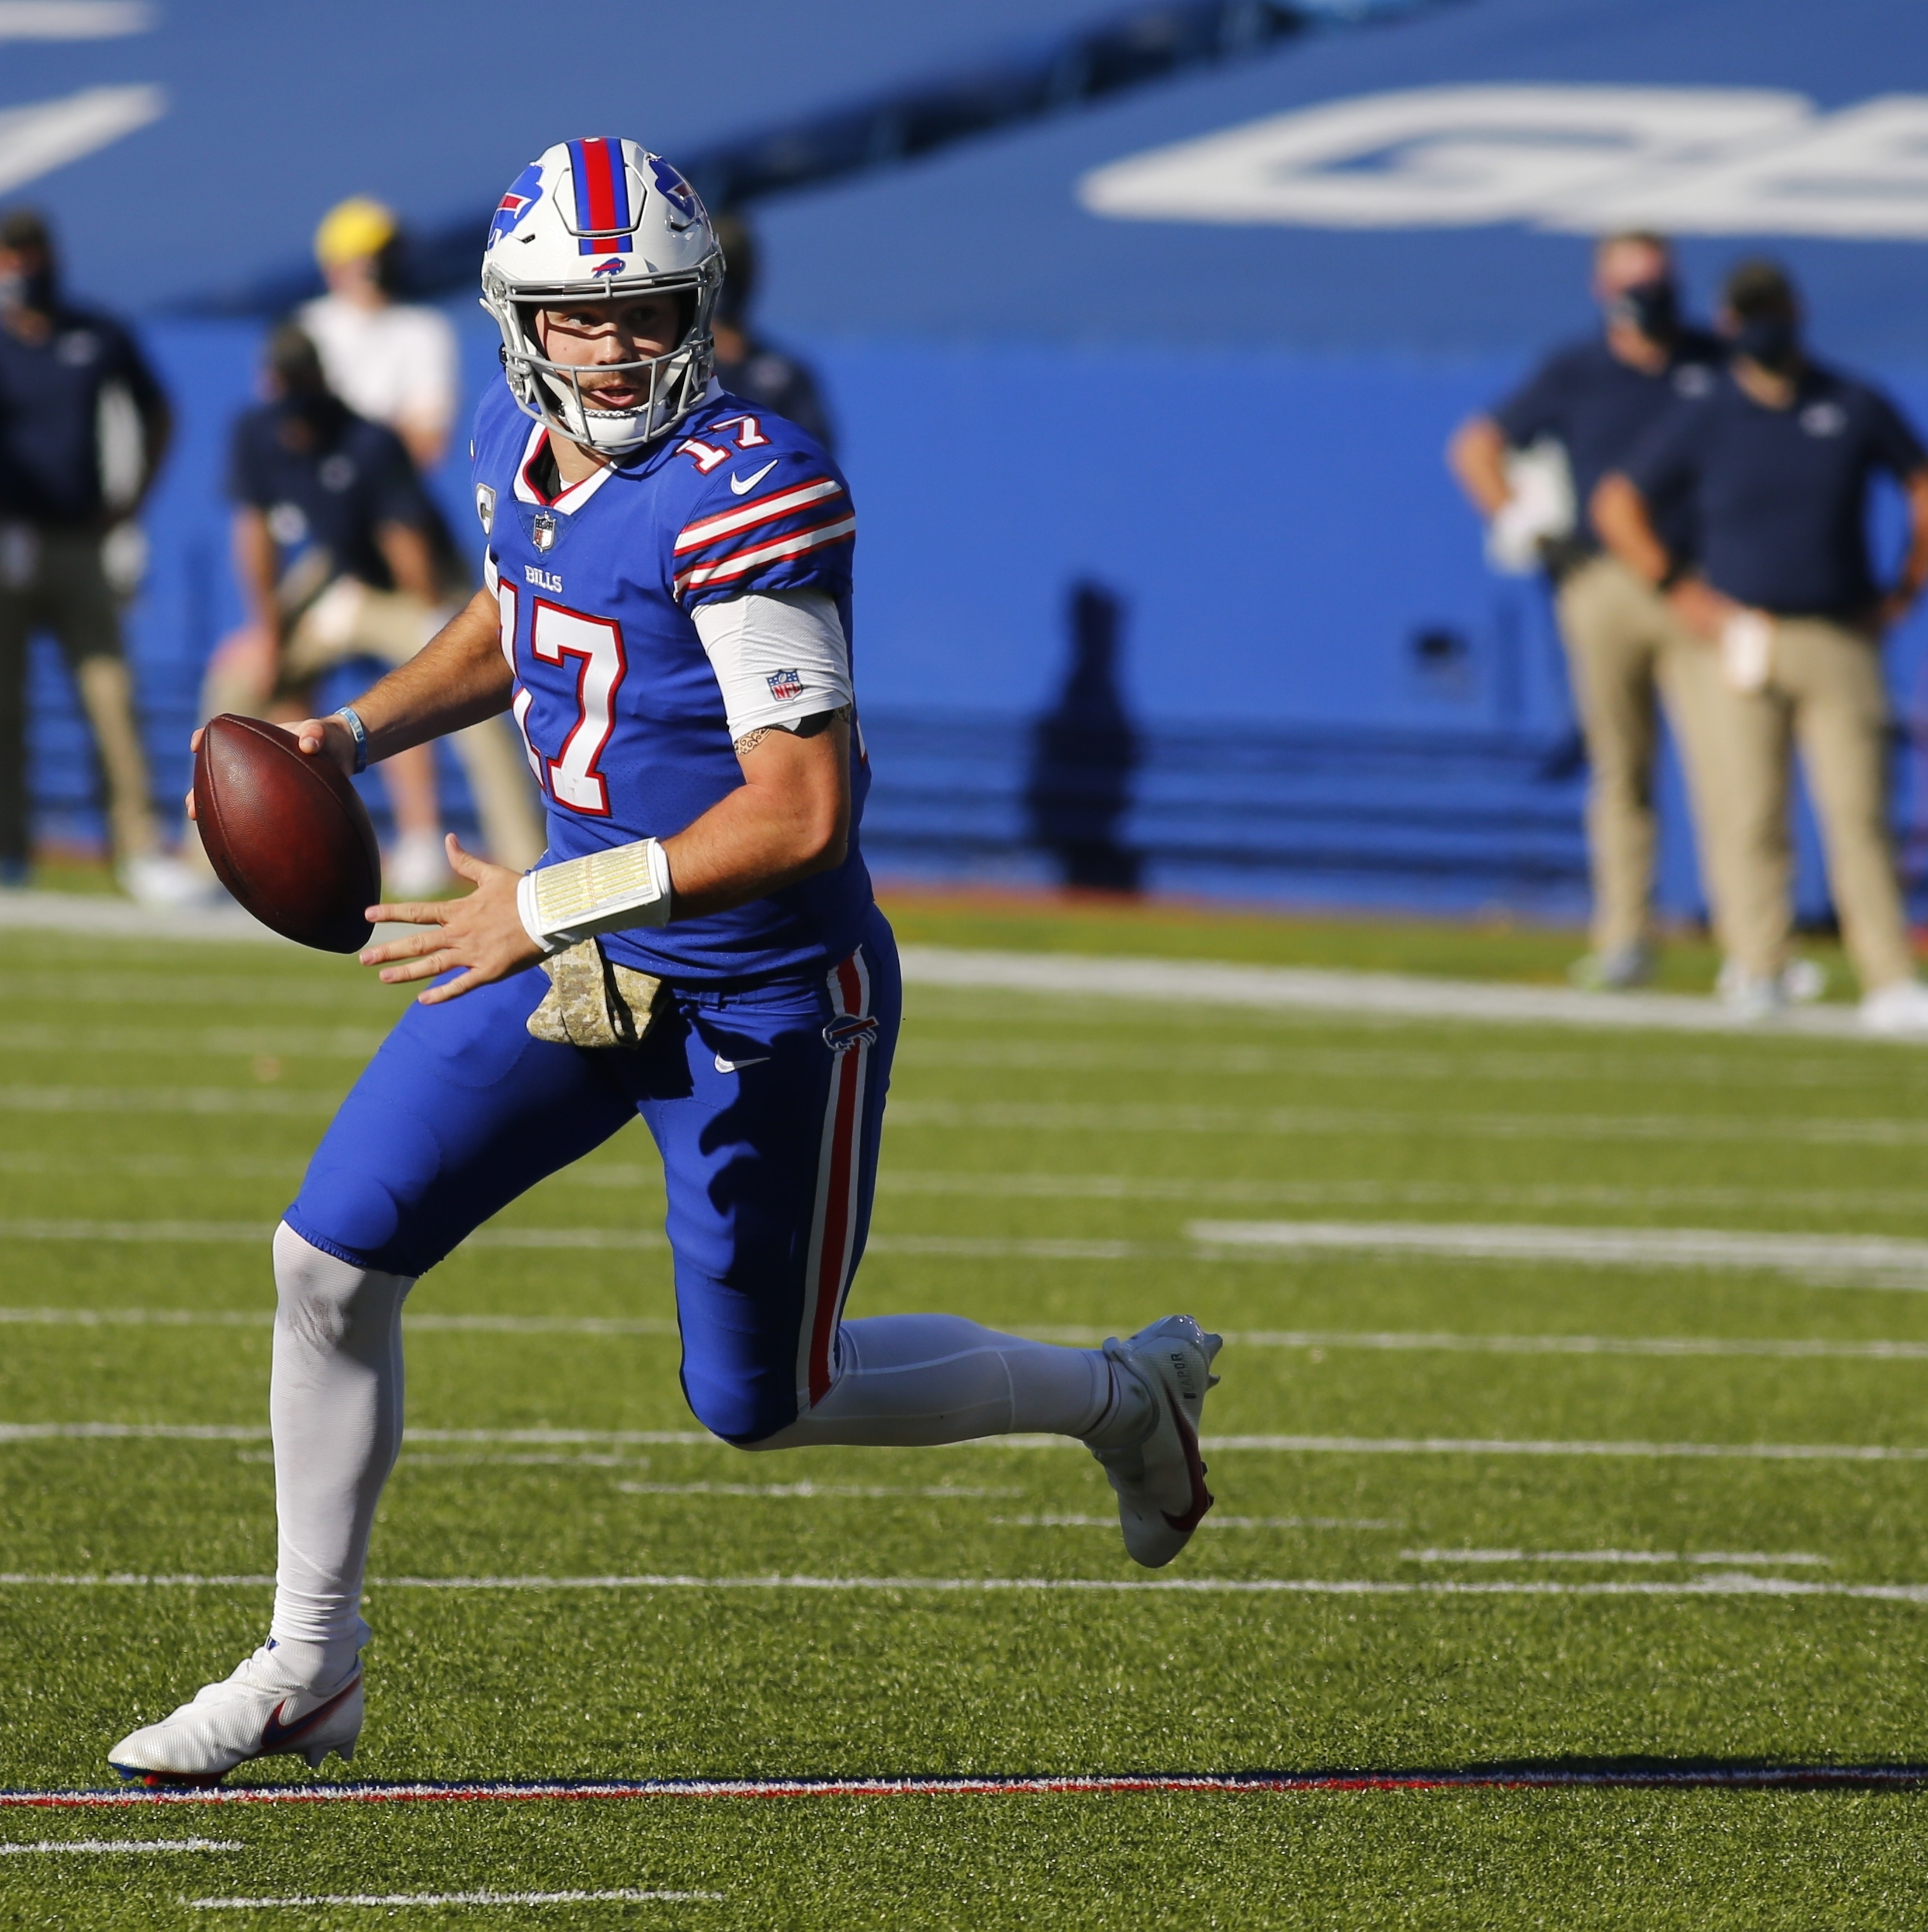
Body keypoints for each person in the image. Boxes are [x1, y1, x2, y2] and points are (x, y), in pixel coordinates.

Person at [107, 138, 1223, 1789]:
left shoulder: (753, 488)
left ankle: (1119, 1395)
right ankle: (309, 1658)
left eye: (641, 313)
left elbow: (799, 810)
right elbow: (514, 613)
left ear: (693, 308)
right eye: (575, 316)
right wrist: (344, 731)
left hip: (763, 996)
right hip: (577, 944)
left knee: (763, 1397)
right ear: (516, 325)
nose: (613, 349)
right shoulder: (510, 437)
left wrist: (547, 905)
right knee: (324, 1263)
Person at [1596, 259, 1928, 1035]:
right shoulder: (1708, 408)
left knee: (1858, 810)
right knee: (1747, 809)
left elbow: (1921, 486)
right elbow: (1620, 503)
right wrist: (1681, 590)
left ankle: (1887, 974)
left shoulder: (1849, 400)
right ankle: (1758, 963)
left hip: (1840, 630)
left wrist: (1904, 590)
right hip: (1740, 633)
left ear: (1796, 311)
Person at [0, 207, 205, 904]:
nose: (19, 270)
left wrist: (131, 500)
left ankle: (138, 845)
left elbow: (159, 413)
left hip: (76, 538)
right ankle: (9, 845)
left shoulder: (95, 332)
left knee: (109, 692)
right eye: (6, 257)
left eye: (29, 254)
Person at [1447, 232, 1726, 991]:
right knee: (1620, 765)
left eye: (1658, 278)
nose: (1649, 293)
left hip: (1700, 584)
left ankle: (1748, 940)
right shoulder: (1578, 368)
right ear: (1602, 289)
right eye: (1632, 280)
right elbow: (1476, 445)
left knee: (1728, 765)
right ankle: (1625, 935)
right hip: (1600, 579)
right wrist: (1517, 517)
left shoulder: (1709, 362)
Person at [206, 323, 546, 890]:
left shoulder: (368, 441)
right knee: (237, 678)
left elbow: (407, 546)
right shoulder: (256, 431)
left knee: (469, 695)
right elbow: (257, 538)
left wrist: (435, 628)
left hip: (409, 587)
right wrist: (268, 631)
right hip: (334, 577)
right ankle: (218, 858)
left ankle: (525, 857)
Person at [297, 197, 459, 472]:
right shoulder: (303, 329)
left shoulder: (426, 331)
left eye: (388, 255)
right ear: (335, 269)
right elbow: (287, 434)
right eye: (370, 258)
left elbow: (429, 441)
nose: (382, 268)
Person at [709, 211, 836, 450]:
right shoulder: (676, 373)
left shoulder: (787, 375)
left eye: (737, 272)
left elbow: (814, 456)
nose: (729, 286)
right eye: (720, 273)